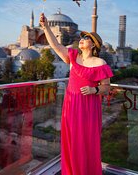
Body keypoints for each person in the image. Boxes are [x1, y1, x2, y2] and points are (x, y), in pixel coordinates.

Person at [39, 13, 113, 175]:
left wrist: (94, 90)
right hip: (71, 106)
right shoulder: (72, 57)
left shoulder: (100, 63)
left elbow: (106, 87)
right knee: (71, 141)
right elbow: (56, 46)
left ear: (94, 45)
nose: (82, 39)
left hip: (88, 108)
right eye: (82, 37)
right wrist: (46, 28)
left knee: (85, 143)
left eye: (86, 38)